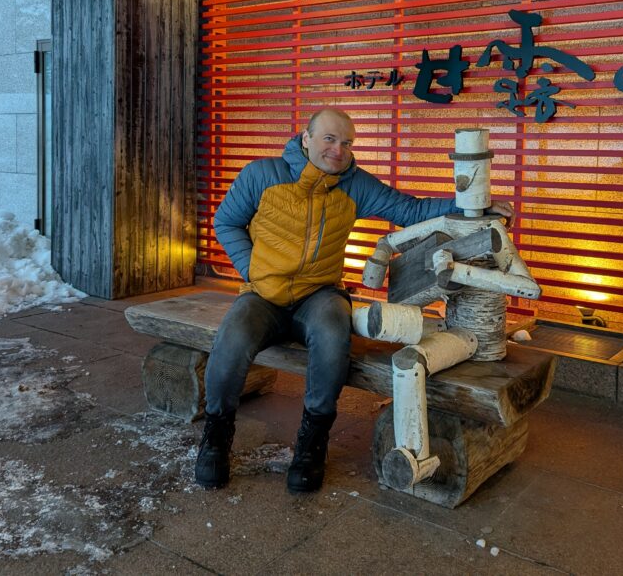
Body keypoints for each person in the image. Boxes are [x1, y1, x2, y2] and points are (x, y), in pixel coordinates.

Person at [195, 108, 513, 493]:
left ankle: (312, 444)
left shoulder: (355, 184)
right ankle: (216, 438)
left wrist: (470, 206)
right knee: (232, 338)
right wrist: (251, 269)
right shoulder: (262, 175)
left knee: (333, 335)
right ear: (306, 138)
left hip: (319, 294)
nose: (338, 150)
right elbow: (226, 221)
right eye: (329, 139)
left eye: (347, 143)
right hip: (263, 295)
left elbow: (410, 210)